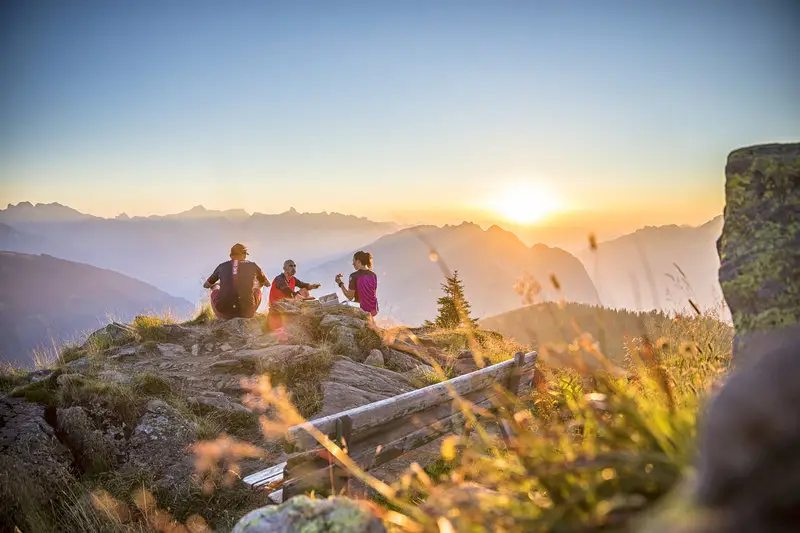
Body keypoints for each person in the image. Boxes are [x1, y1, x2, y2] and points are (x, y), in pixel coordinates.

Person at [203, 243, 269, 319]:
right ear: (244, 255)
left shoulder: (221, 266)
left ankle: (218, 315)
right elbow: (267, 283)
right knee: (259, 284)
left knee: (215, 287)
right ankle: (251, 310)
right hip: (247, 313)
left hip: (223, 313)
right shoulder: (253, 265)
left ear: (231, 256)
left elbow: (206, 285)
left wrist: (220, 284)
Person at [267, 259, 321, 332]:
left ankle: (304, 309)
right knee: (300, 296)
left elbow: (303, 284)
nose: (293, 268)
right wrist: (300, 298)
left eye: (294, 266)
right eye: (290, 266)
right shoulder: (279, 278)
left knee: (304, 290)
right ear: (284, 268)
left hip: (289, 303)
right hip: (277, 305)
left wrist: (312, 286)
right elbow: (285, 289)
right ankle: (303, 306)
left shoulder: (293, 279)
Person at [335, 250, 379, 317]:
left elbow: (349, 296)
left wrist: (340, 283)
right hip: (373, 310)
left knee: (340, 306)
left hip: (361, 309)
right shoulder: (373, 275)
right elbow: (373, 294)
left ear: (358, 262)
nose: (352, 263)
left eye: (354, 261)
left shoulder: (354, 276)